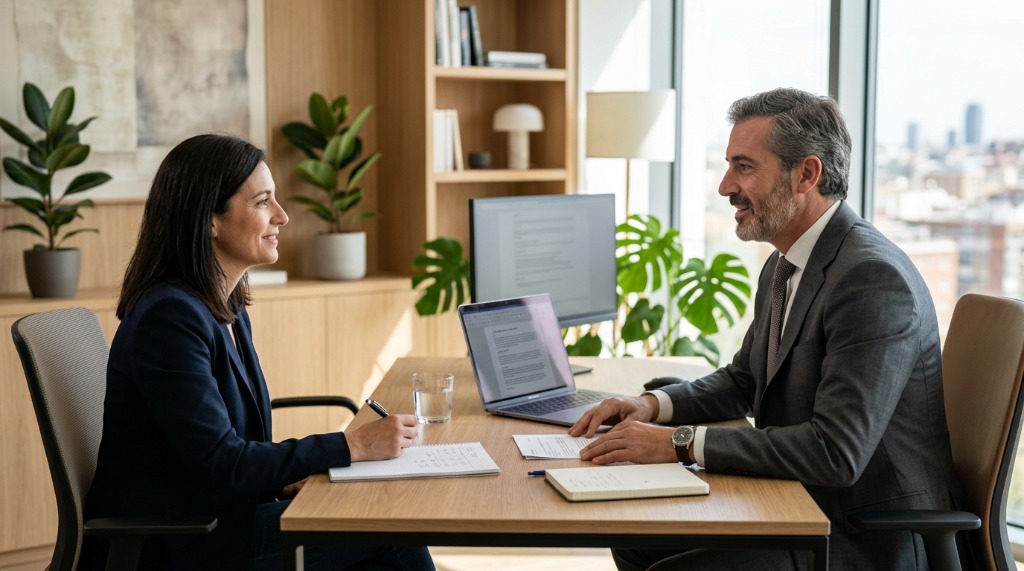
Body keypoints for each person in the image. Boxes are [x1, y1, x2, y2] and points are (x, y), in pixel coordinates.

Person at [570, 88, 963, 570]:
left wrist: (678, 442)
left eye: (744, 166)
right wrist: (651, 405)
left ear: (807, 174)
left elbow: (834, 452)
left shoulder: (872, 279)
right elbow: (744, 381)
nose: (725, 186)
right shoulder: (786, 265)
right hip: (799, 505)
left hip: (863, 537)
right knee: (637, 539)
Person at [81, 134, 435, 570]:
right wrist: (350, 446)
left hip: (224, 515)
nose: (283, 216)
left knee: (379, 517)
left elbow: (237, 446)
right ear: (209, 219)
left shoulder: (225, 303)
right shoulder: (169, 318)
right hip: (181, 543)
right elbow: (223, 460)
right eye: (263, 201)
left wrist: (291, 476)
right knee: (388, 528)